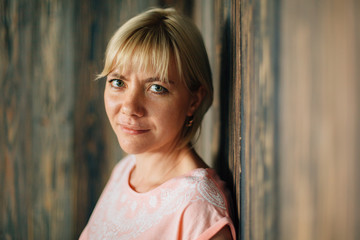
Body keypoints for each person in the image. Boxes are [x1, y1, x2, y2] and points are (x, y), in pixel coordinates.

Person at [79, 7, 236, 240]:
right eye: (118, 82)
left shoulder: (198, 208)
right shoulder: (125, 171)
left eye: (157, 88)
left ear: (194, 100)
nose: (130, 107)